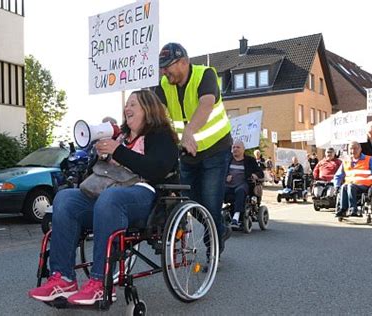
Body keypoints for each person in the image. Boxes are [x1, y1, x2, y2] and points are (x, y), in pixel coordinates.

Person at [28, 90, 179, 305]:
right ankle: (63, 279)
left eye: (133, 104)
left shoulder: (160, 136)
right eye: (127, 104)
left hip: (143, 194)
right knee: (65, 199)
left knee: (111, 198)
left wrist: (118, 152)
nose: (127, 108)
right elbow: (96, 174)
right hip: (108, 194)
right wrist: (99, 157)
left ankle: (99, 283)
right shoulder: (120, 137)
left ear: (148, 109)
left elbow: (157, 169)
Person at [154, 42, 233, 253]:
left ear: (183, 62)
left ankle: (213, 249)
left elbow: (206, 103)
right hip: (188, 153)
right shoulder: (163, 84)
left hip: (216, 150)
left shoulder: (205, 74)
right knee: (188, 200)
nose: (164, 71)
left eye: (167, 66)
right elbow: (159, 115)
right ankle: (219, 229)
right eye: (161, 67)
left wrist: (189, 131)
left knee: (210, 200)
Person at [333, 141, 372, 217]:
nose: (353, 151)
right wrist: (336, 186)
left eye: (355, 148)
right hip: (350, 186)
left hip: (365, 186)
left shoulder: (368, 159)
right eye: (351, 149)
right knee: (343, 187)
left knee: (350, 186)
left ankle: (353, 210)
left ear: (360, 149)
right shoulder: (345, 161)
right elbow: (338, 176)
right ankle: (342, 209)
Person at [225, 141, 264, 227]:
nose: (235, 149)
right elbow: (220, 172)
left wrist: (255, 175)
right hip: (228, 185)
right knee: (219, 191)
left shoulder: (250, 160)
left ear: (243, 149)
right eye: (234, 147)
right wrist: (226, 176)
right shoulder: (228, 160)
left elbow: (261, 173)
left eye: (238, 147)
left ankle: (236, 217)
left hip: (243, 185)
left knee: (240, 190)